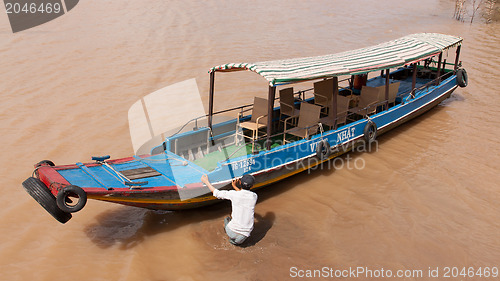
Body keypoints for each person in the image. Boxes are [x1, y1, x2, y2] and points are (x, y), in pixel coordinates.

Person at [201, 174, 258, 245]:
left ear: (240, 182)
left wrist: (206, 181)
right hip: (244, 236)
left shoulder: (233, 194)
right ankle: (233, 242)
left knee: (226, 218)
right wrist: (235, 187)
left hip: (231, 231)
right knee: (234, 243)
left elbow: (216, 193)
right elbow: (243, 195)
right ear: (252, 186)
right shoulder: (254, 196)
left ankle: (228, 234)